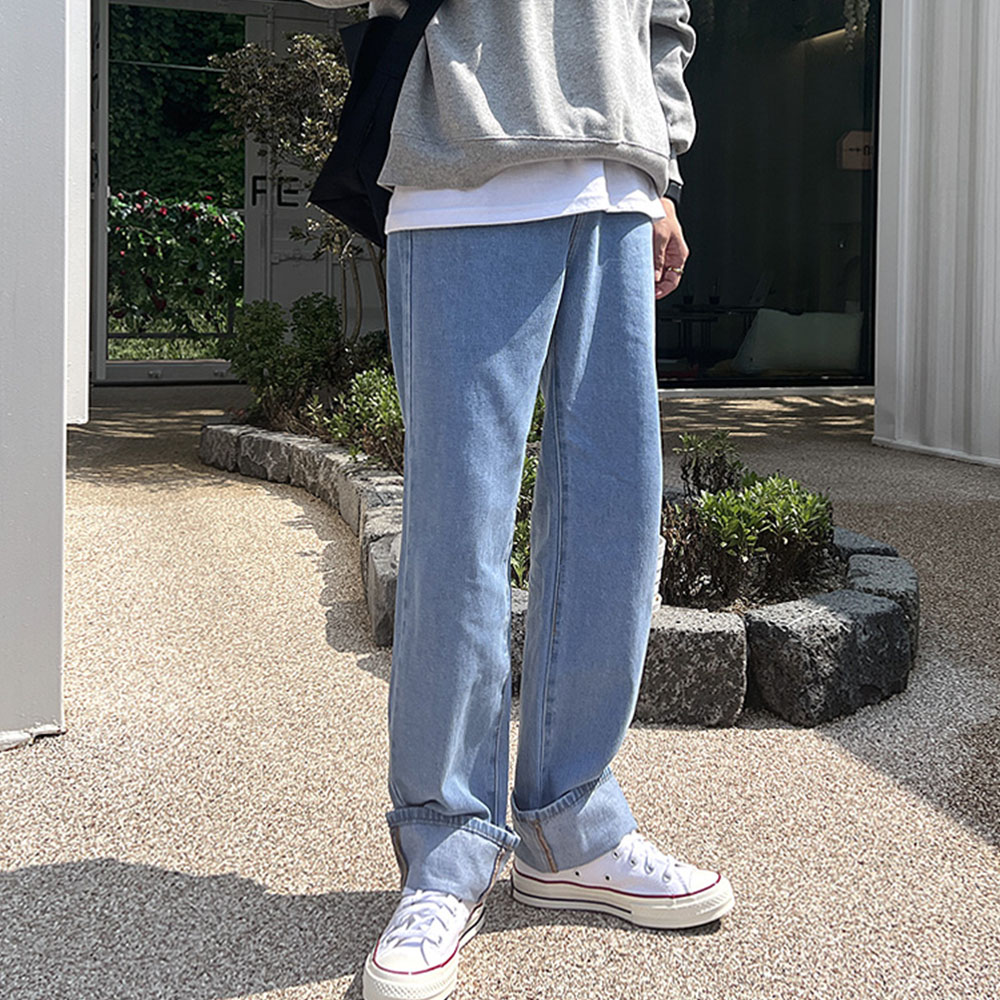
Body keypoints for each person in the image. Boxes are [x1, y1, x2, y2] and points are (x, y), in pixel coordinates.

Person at [305, 3, 735, 999]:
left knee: (615, 522)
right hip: (465, 170)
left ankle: (568, 826)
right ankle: (446, 848)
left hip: (618, 189)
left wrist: (660, 168)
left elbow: (664, 18)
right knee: (459, 531)